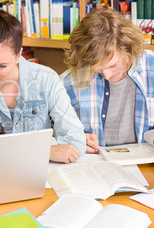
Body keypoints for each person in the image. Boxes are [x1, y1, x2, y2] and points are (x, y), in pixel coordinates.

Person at [0, 10, 86, 163]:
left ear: (19, 55)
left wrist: (0, 143)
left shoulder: (46, 79)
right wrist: (45, 151)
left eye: (1, 65)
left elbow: (76, 142)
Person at [61, 8, 154, 153]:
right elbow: (53, 133)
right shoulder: (70, 82)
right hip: (95, 166)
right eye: (97, 68)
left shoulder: (151, 68)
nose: (106, 75)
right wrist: (75, 139)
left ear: (128, 48)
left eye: (113, 65)